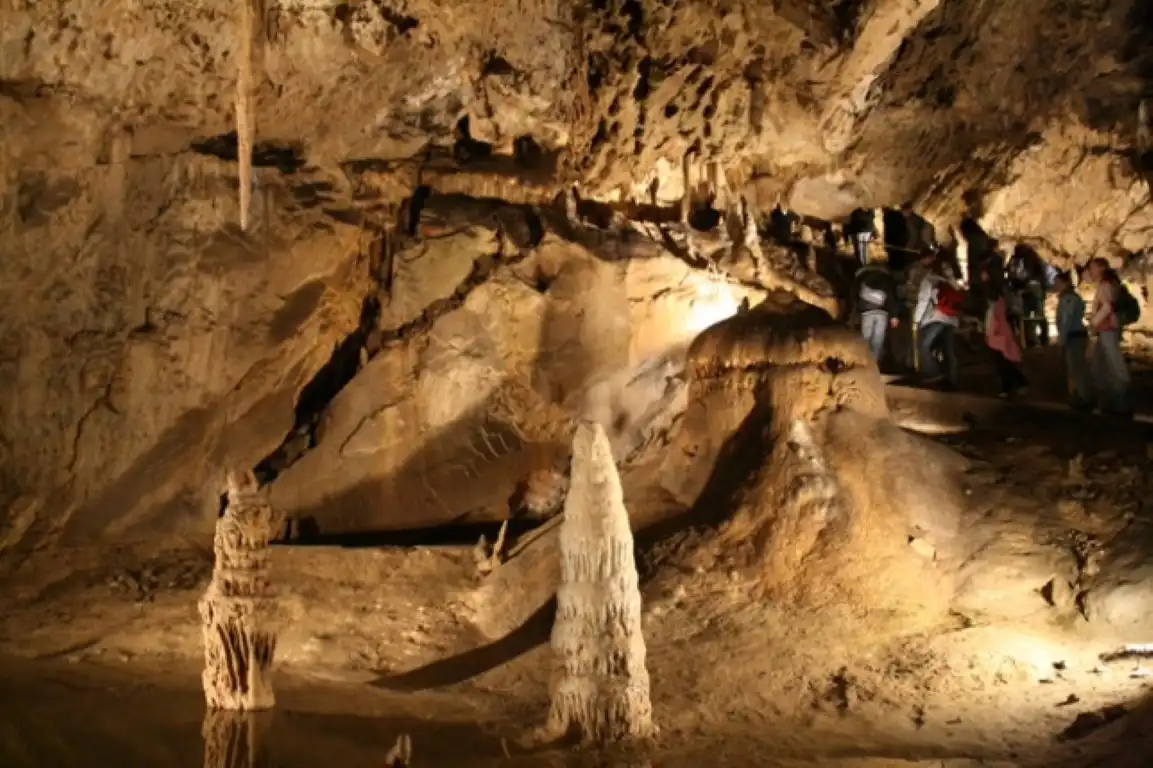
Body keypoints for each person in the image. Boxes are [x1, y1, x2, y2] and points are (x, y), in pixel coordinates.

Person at [1085, 257, 1132, 417]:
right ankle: (1109, 400)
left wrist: (1093, 322)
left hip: (1107, 329)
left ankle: (1120, 402)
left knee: (1113, 364)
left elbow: (1107, 307)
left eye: (1092, 268)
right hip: (1106, 329)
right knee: (1100, 366)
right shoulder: (1110, 284)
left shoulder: (1105, 285)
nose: (1090, 271)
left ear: (1101, 268)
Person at [913, 260, 965, 390]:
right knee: (948, 350)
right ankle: (951, 381)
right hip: (952, 320)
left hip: (935, 318)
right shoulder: (955, 283)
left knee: (924, 346)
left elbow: (923, 301)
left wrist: (916, 320)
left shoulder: (930, 280)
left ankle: (932, 374)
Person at [980, 266, 1028, 399]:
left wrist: (989, 332)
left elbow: (993, 320)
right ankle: (1015, 384)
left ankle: (1010, 387)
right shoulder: (999, 302)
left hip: (997, 336)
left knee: (1002, 363)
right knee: (1004, 362)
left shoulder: (995, 304)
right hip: (999, 335)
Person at [1053, 271, 1093, 410]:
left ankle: (1084, 397)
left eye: (1057, 283)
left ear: (1065, 283)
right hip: (1076, 335)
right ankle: (1080, 395)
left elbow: (1067, 320)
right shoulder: (1071, 297)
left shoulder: (1068, 299)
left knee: (1077, 368)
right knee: (1076, 368)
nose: (1055, 285)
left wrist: (1062, 339)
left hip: (1074, 336)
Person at [852, 258, 900, 363]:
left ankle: (864, 363)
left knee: (865, 339)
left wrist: (854, 311)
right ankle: (875, 364)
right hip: (882, 312)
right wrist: (894, 316)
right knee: (878, 340)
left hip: (866, 311)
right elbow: (891, 297)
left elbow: (855, 295)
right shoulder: (886, 278)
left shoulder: (861, 276)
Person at [1007, 245, 1049, 346]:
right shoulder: (1034, 259)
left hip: (1029, 288)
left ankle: (1032, 339)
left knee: (1031, 315)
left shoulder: (1021, 260)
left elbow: (1014, 275)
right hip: (1032, 288)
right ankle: (1037, 338)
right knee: (1035, 315)